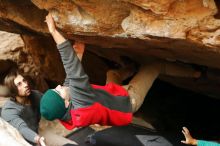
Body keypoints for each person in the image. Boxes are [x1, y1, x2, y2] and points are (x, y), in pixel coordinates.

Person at [40, 13, 201, 130]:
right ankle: (196, 74)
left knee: (112, 74)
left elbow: (69, 81)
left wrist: (80, 53)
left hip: (112, 95)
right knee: (154, 66)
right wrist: (54, 32)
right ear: (67, 103)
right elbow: (72, 68)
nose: (59, 87)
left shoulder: (69, 111)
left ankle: (131, 67)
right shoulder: (82, 104)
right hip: (128, 101)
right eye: (58, 92)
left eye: (55, 88)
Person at [1, 69, 46, 146]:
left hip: (37, 132)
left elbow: (49, 103)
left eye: (24, 81)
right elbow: (22, 128)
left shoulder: (35, 95)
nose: (25, 85)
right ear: (12, 90)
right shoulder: (8, 110)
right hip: (20, 141)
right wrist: (37, 139)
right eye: (19, 84)